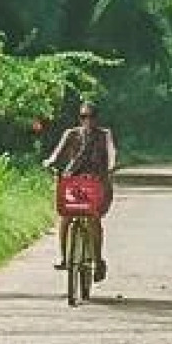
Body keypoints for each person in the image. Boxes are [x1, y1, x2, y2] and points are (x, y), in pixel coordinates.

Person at [43, 101, 116, 282]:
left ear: (97, 119)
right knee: (66, 217)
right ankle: (65, 258)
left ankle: (98, 261)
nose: (88, 121)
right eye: (84, 117)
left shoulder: (104, 135)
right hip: (74, 180)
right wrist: (50, 162)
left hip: (97, 181)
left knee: (93, 218)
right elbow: (57, 153)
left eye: (91, 117)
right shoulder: (72, 134)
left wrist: (111, 166)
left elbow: (112, 151)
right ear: (80, 118)